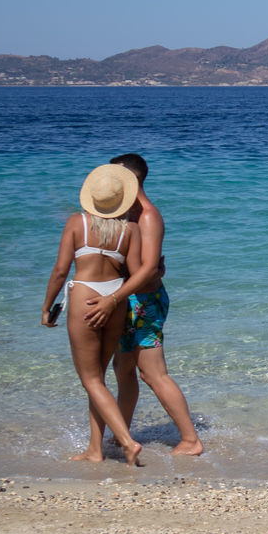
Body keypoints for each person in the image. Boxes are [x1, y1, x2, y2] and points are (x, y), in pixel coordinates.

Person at [82, 152, 202, 456]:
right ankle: (121, 434)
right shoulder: (126, 214)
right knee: (123, 369)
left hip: (143, 301)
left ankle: (190, 440)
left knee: (152, 373)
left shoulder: (147, 215)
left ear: (132, 180)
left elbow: (148, 271)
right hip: (129, 299)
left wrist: (112, 298)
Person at [41, 164, 144, 466]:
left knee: (90, 380)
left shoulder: (77, 222)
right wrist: (114, 299)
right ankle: (95, 450)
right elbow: (136, 274)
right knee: (97, 380)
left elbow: (61, 271)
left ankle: (127, 442)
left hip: (85, 295)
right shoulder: (131, 229)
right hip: (115, 298)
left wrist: (47, 307)